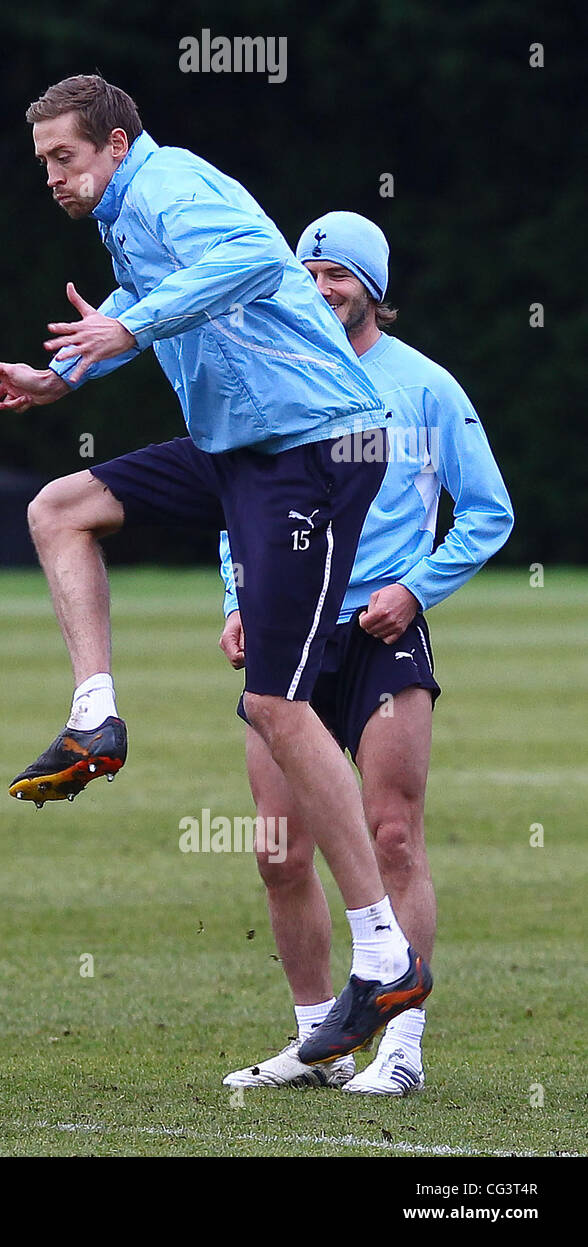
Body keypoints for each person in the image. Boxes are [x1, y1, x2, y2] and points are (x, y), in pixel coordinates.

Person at [0, 74, 428, 1064]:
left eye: (64, 157)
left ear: (112, 143)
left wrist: (127, 327)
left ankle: (385, 954)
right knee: (58, 509)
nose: (52, 178)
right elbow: (147, 299)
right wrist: (64, 375)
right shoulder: (125, 219)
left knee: (276, 705)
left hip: (318, 446)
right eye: (44, 162)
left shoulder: (169, 185)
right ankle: (94, 714)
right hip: (243, 448)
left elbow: (244, 257)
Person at [219, 212, 513, 1093]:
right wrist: (238, 599)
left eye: (337, 274)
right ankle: (320, 1043)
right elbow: (236, 504)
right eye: (306, 271)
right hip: (286, 635)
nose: (318, 287)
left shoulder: (425, 386)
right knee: (278, 849)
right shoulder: (271, 381)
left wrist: (416, 588)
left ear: (373, 290)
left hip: (383, 635)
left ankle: (400, 1047)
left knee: (392, 836)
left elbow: (489, 509)